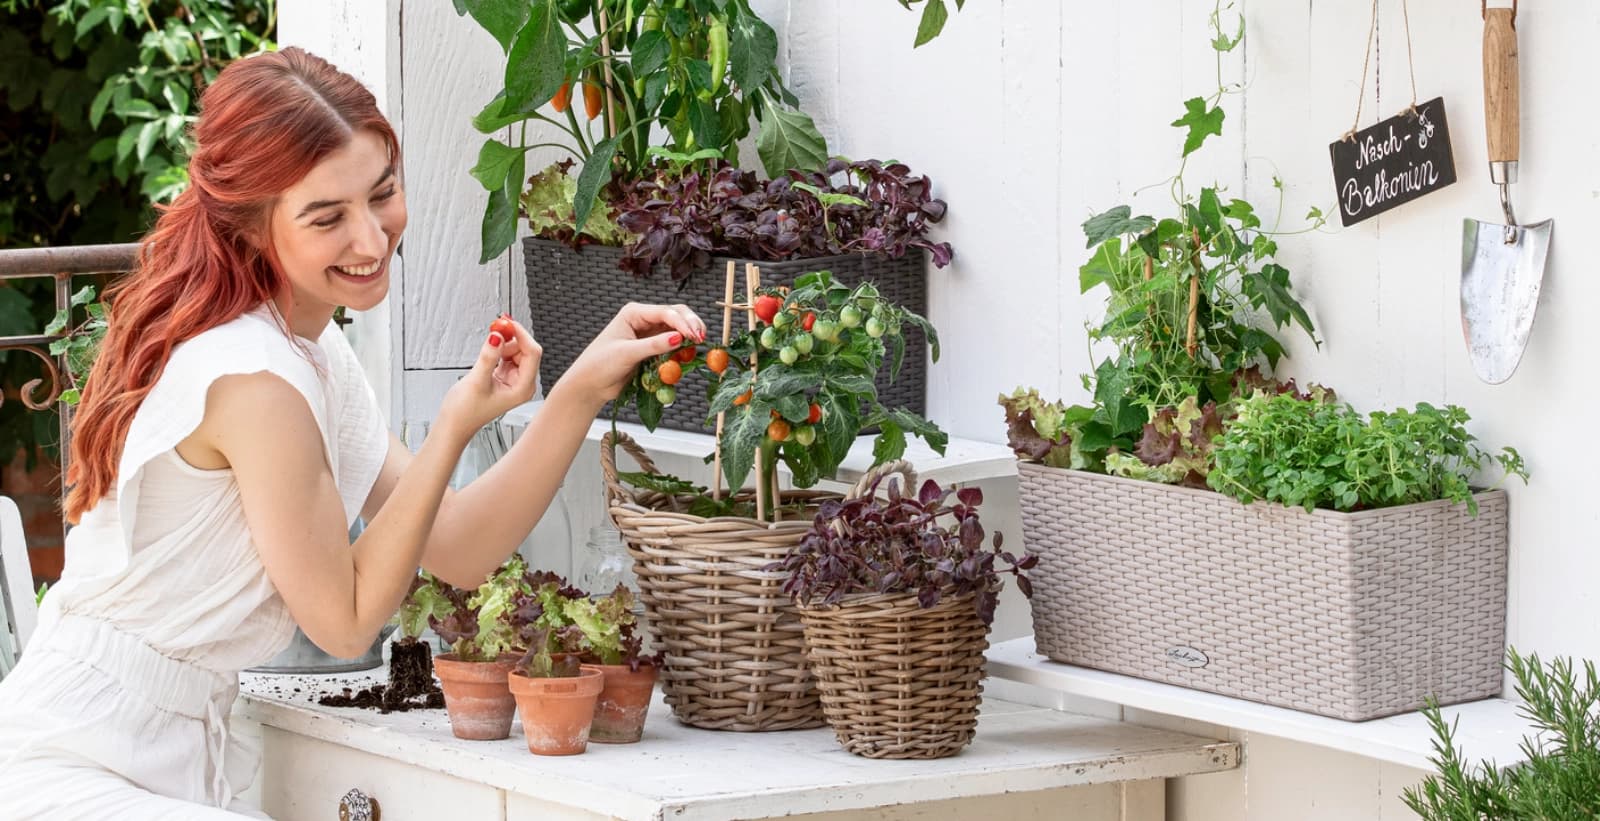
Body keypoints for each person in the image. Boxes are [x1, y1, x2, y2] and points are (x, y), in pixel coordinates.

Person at [0, 47, 705, 819]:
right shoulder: (251, 374)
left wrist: (580, 387)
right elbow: (342, 620)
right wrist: (453, 425)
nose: (371, 241)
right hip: (72, 762)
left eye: (383, 194)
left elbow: (461, 547)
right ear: (251, 224)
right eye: (327, 217)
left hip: (163, 752)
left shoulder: (310, 348)